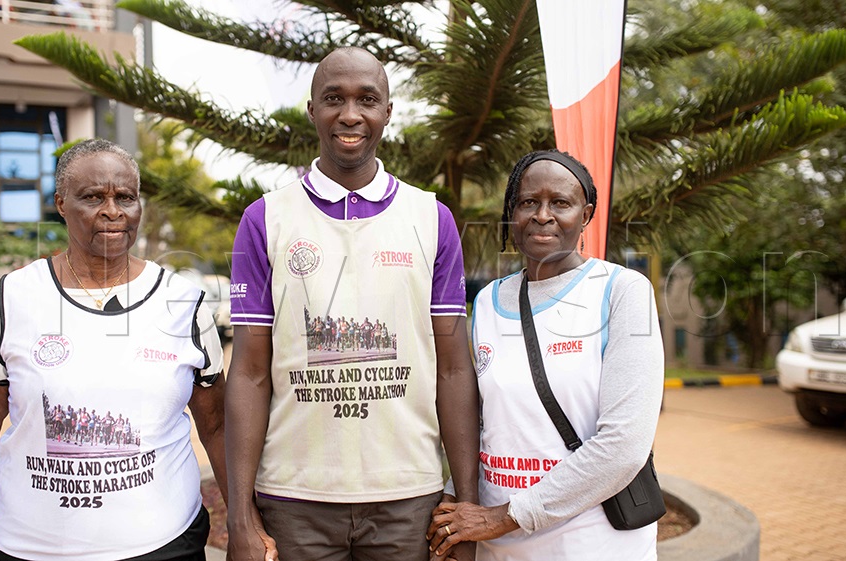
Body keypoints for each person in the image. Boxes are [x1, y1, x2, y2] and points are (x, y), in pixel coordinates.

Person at [0, 139, 228, 561]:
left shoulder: (185, 302)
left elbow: (217, 427)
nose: (112, 211)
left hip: (163, 547)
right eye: (93, 197)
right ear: (60, 203)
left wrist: (244, 523)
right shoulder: (15, 297)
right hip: (31, 550)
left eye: (125, 197)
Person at [226, 47, 480, 561]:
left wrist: (469, 508)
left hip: (407, 495)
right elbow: (250, 373)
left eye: (367, 99)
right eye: (333, 99)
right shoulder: (264, 219)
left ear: (387, 111)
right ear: (312, 110)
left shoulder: (431, 218)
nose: (350, 114)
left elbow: (453, 370)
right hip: (294, 497)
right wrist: (239, 516)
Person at [425, 150, 664, 560]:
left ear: (585, 215)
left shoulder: (622, 291)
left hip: (592, 543)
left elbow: (624, 445)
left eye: (561, 203)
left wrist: (505, 515)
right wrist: (456, 504)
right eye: (528, 202)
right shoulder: (487, 302)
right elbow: (482, 422)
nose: (542, 215)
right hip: (500, 547)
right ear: (511, 213)